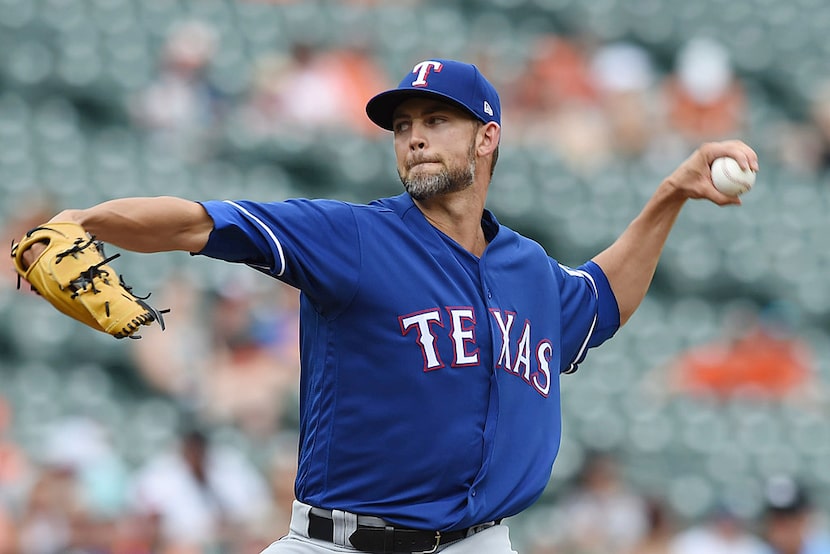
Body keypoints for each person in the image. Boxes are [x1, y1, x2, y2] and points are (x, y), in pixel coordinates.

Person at [16, 58, 758, 553]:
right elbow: (199, 221)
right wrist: (86, 221)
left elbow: (598, 305)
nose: (414, 139)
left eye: (436, 120)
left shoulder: (527, 269)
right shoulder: (356, 237)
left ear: (487, 138)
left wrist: (670, 194)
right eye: (403, 126)